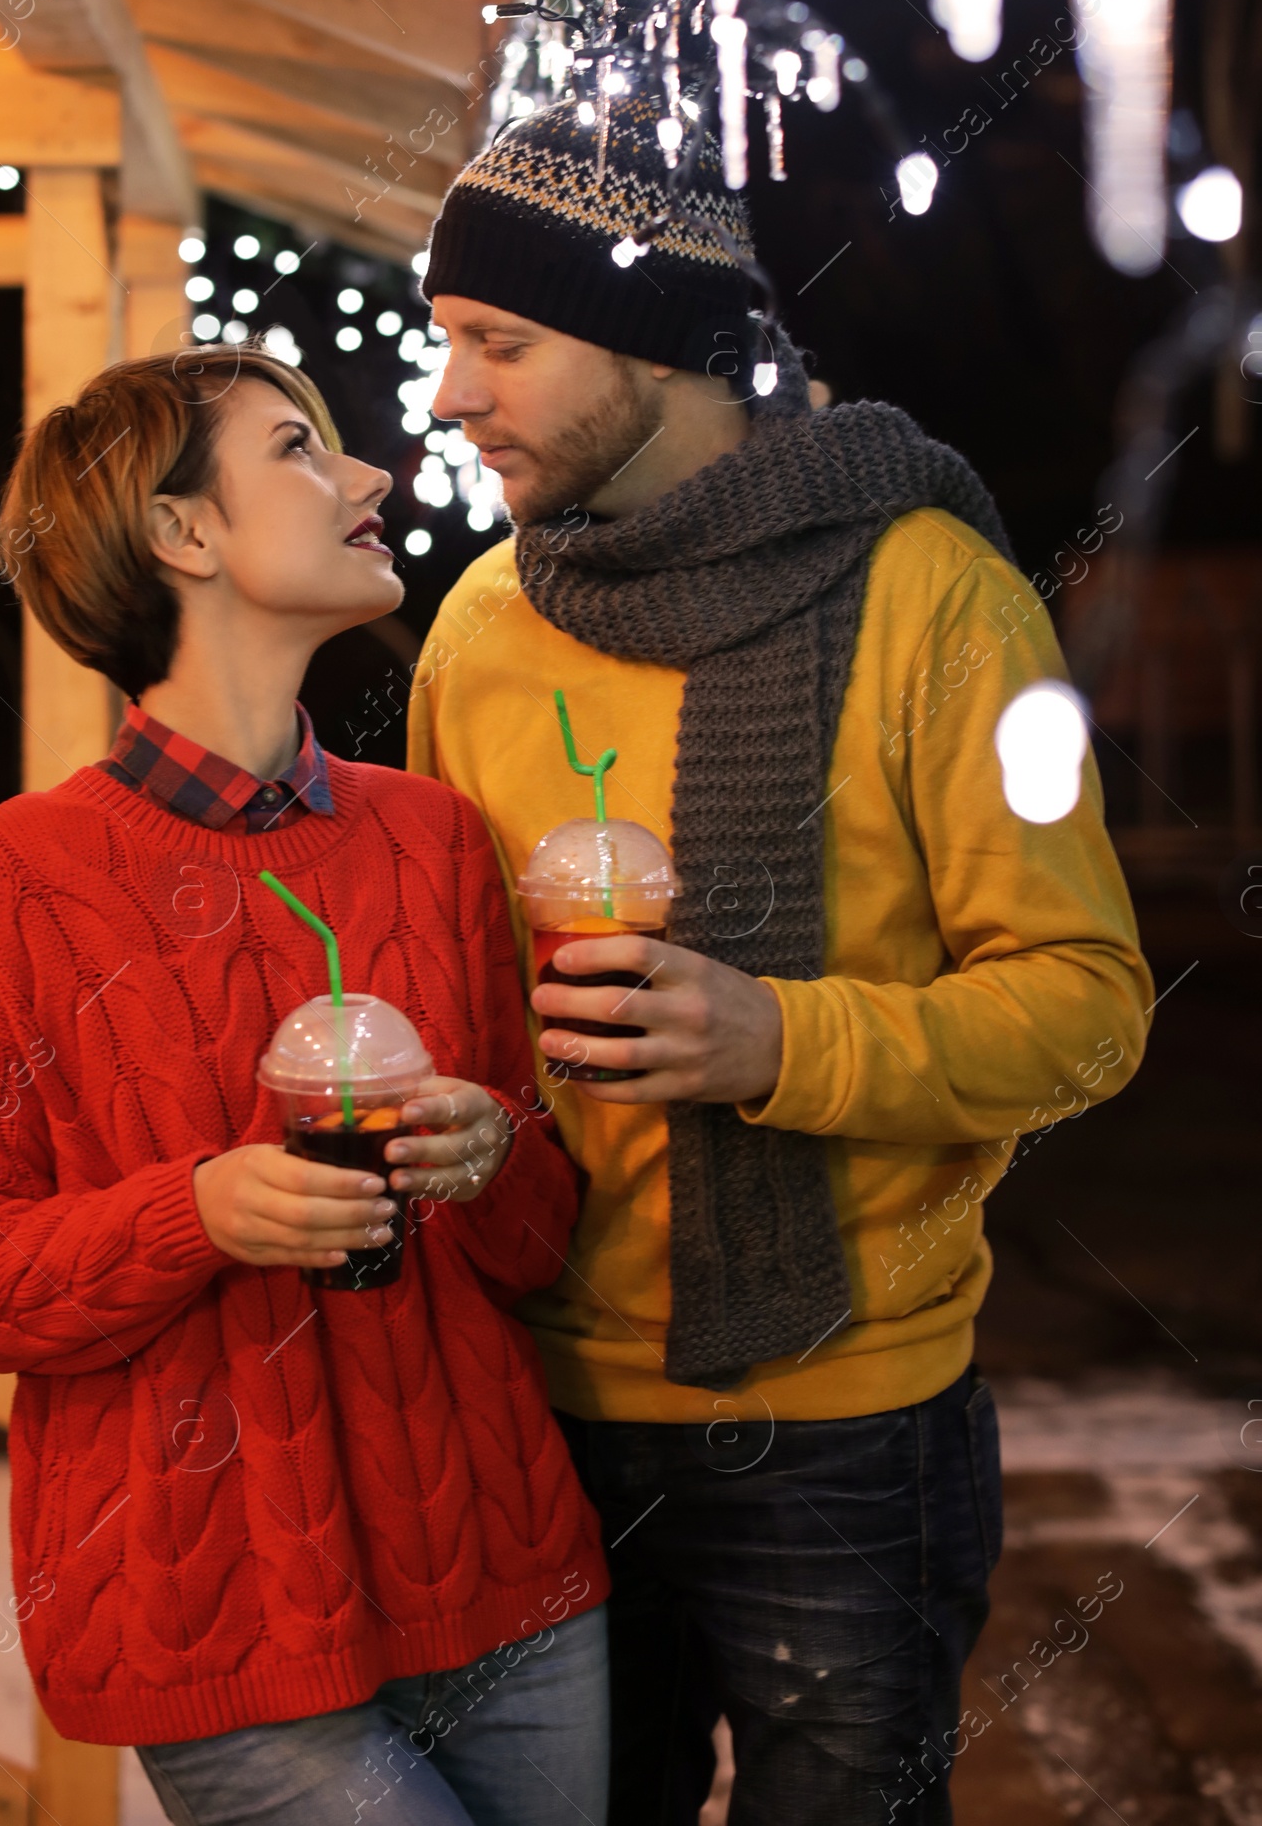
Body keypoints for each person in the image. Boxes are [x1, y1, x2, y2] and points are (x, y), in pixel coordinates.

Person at [407, 95, 1153, 1826]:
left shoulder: (942, 601)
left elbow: (1088, 1006)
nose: (451, 397)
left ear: (661, 342)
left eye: (499, 342)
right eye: (452, 344)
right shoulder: (481, 626)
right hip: (533, 1398)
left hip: (844, 1422)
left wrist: (778, 1043)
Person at [0, 345, 610, 1826]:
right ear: (183, 535)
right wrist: (198, 1212)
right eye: (301, 448)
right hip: (213, 1612)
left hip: (508, 1582)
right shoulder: (9, 890)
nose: (373, 475)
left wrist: (493, 1151)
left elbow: (537, 1243)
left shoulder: (433, 838)